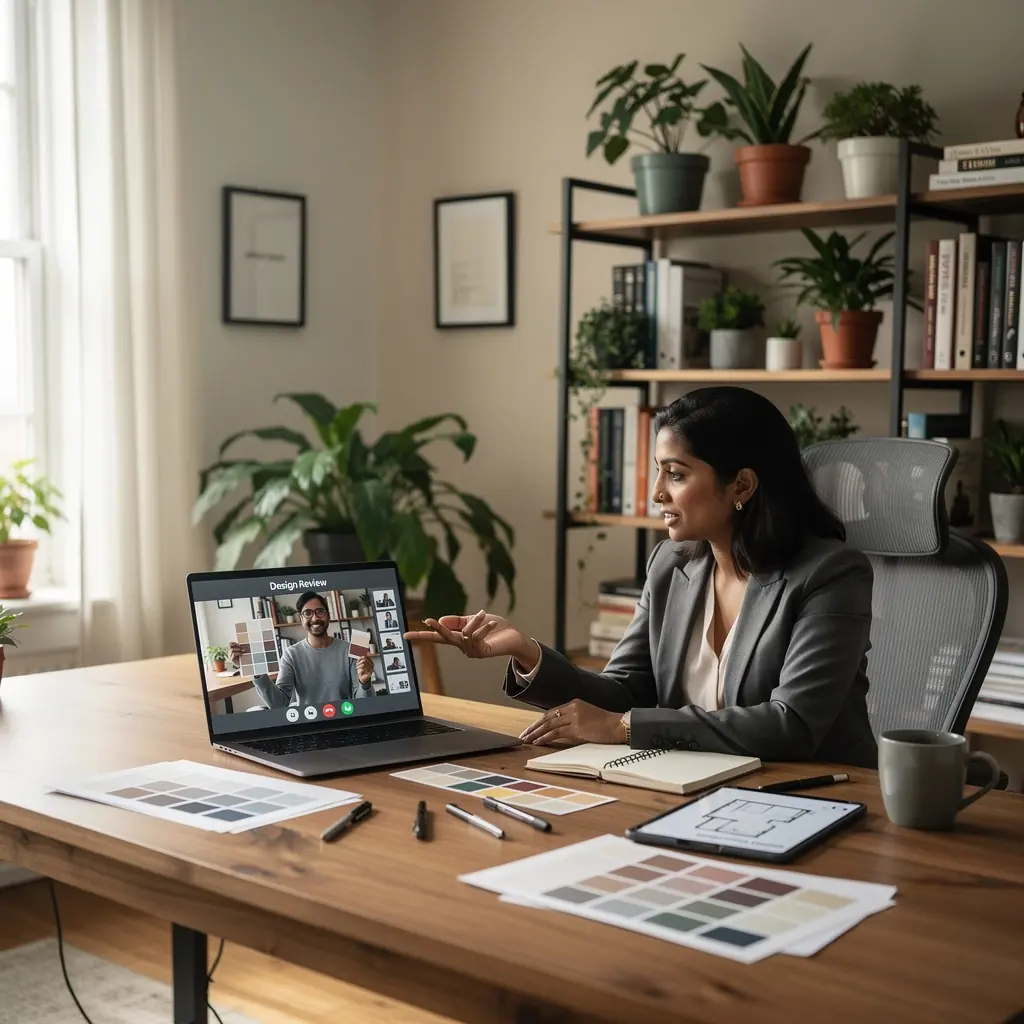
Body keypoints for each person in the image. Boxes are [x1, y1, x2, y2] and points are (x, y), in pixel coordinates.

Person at [405, 387, 877, 768]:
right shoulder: (670, 565)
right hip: (691, 782)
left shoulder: (829, 574)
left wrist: (624, 728)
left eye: (675, 474)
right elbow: (626, 690)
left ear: (742, 485)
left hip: (817, 792)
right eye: (658, 473)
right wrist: (526, 651)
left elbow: (790, 725)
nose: (656, 493)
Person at [231, 591, 377, 708]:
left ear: (328, 615)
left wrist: (365, 682)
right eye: (308, 613)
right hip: (308, 723)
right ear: (301, 619)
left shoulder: (350, 649)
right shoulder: (291, 654)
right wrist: (256, 670)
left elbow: (363, 704)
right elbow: (279, 704)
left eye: (320, 611)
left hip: (345, 721)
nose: (315, 618)